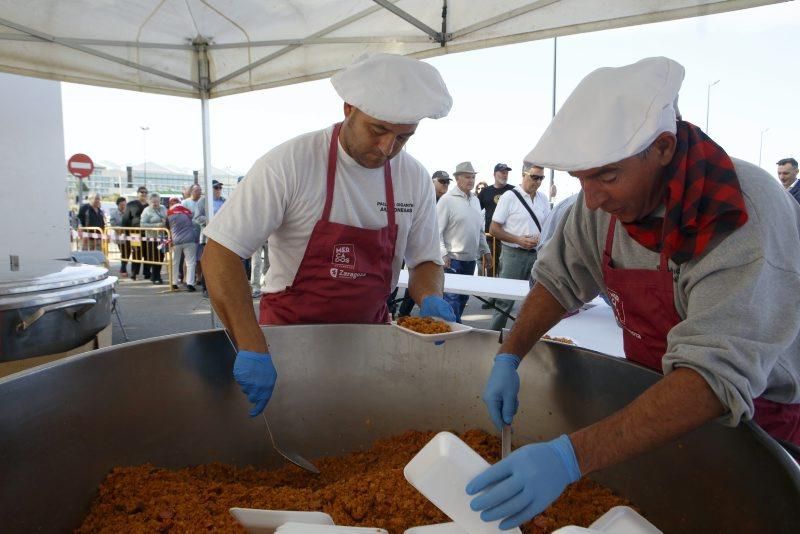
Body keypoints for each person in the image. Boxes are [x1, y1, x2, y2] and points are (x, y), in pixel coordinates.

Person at [467, 57, 800, 530]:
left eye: (606, 176)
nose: (592, 198)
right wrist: (510, 354)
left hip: (751, 421)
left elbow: (712, 377)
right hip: (649, 402)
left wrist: (568, 458)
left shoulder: (744, 213)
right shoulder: (600, 203)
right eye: (582, 179)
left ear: (663, 147)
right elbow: (559, 278)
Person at [202, 53, 456, 417]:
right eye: (378, 130)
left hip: (369, 341)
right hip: (288, 339)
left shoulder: (413, 177)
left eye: (403, 137)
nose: (388, 149)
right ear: (348, 107)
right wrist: (250, 344)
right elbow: (221, 253)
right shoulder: (290, 163)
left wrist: (430, 297)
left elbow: (425, 260)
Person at [487, 163, 551, 331]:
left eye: (541, 178)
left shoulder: (543, 198)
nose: (538, 181)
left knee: (534, 301)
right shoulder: (509, 196)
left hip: (536, 255)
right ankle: (492, 337)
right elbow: (494, 229)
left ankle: (525, 338)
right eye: (534, 177)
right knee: (504, 302)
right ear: (524, 174)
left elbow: (548, 227)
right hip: (513, 254)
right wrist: (518, 240)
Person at [437, 161, 492, 322]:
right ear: (458, 178)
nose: (471, 180)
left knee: (462, 300)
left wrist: (486, 251)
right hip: (452, 260)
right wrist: (443, 254)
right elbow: (436, 231)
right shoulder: (447, 200)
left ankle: (451, 331)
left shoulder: (475, 200)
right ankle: (452, 334)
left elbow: (479, 230)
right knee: (452, 300)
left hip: (470, 260)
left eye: (473, 177)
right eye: (467, 177)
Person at [396, 170, 451, 317]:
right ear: (434, 181)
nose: (445, 184)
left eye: (447, 182)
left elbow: (423, 257)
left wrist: (429, 295)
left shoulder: (416, 176)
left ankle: (402, 313)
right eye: (442, 181)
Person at [166, 197, 197, 292]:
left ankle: (174, 283)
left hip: (176, 241)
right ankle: (190, 284)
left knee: (175, 262)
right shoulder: (187, 212)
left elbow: (167, 227)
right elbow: (194, 222)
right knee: (190, 262)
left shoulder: (169, 214)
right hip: (189, 240)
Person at [122, 186, 151, 281]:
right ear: (137, 193)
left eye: (145, 192)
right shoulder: (131, 204)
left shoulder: (150, 205)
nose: (143, 194)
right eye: (141, 192)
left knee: (148, 253)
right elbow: (126, 219)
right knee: (136, 253)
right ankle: (134, 273)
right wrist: (126, 233)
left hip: (148, 232)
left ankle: (147, 273)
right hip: (134, 233)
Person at [139, 192, 167, 285]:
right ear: (149, 202)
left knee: (161, 256)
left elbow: (167, 218)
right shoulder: (146, 210)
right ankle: (156, 276)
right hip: (151, 238)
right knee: (154, 257)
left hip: (162, 237)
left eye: (157, 201)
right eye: (153, 202)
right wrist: (156, 225)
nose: (155, 203)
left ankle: (156, 274)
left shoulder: (163, 208)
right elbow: (142, 224)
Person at [110, 197, 130, 277]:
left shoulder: (128, 212)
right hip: (119, 235)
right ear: (118, 205)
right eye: (121, 205)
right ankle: (123, 268)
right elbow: (112, 223)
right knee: (123, 252)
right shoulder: (114, 213)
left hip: (128, 235)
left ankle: (123, 267)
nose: (123, 206)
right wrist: (119, 229)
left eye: (125, 205)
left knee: (127, 251)